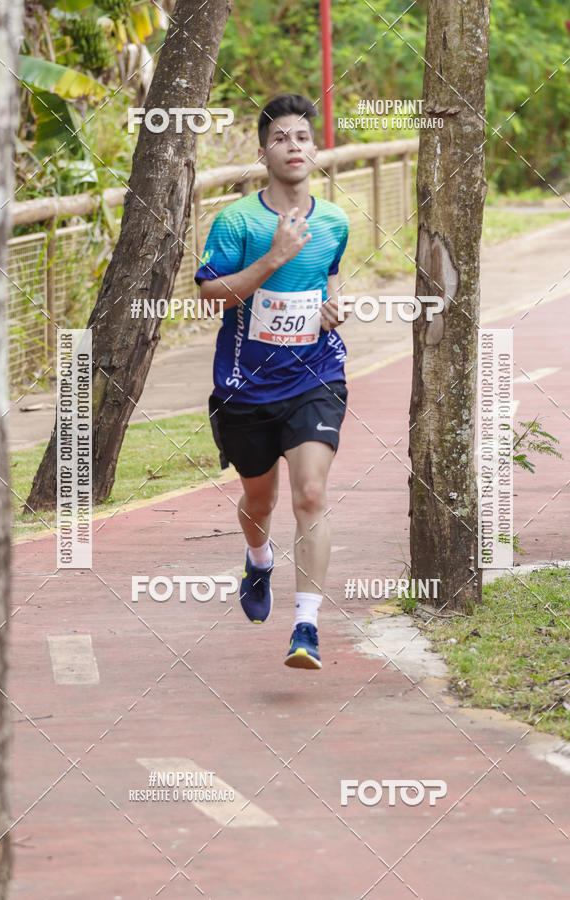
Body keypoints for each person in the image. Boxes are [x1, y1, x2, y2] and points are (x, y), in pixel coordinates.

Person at [195, 93, 349, 669]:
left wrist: (335, 307)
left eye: (303, 138)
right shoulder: (237, 220)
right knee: (260, 499)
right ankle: (258, 560)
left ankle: (306, 626)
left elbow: (330, 278)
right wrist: (274, 258)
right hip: (245, 387)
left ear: (314, 151)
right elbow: (210, 296)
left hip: (316, 375)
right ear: (264, 153)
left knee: (311, 494)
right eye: (282, 137)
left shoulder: (334, 220)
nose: (294, 146)